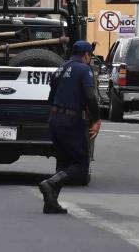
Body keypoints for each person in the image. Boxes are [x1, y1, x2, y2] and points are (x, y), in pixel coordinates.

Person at [39, 40, 101, 214]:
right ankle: (50, 184)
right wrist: (96, 119)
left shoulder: (59, 69)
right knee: (81, 166)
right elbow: (90, 96)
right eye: (90, 56)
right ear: (86, 55)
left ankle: (51, 202)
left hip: (55, 119)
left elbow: (50, 99)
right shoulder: (84, 69)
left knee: (63, 163)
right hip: (71, 121)